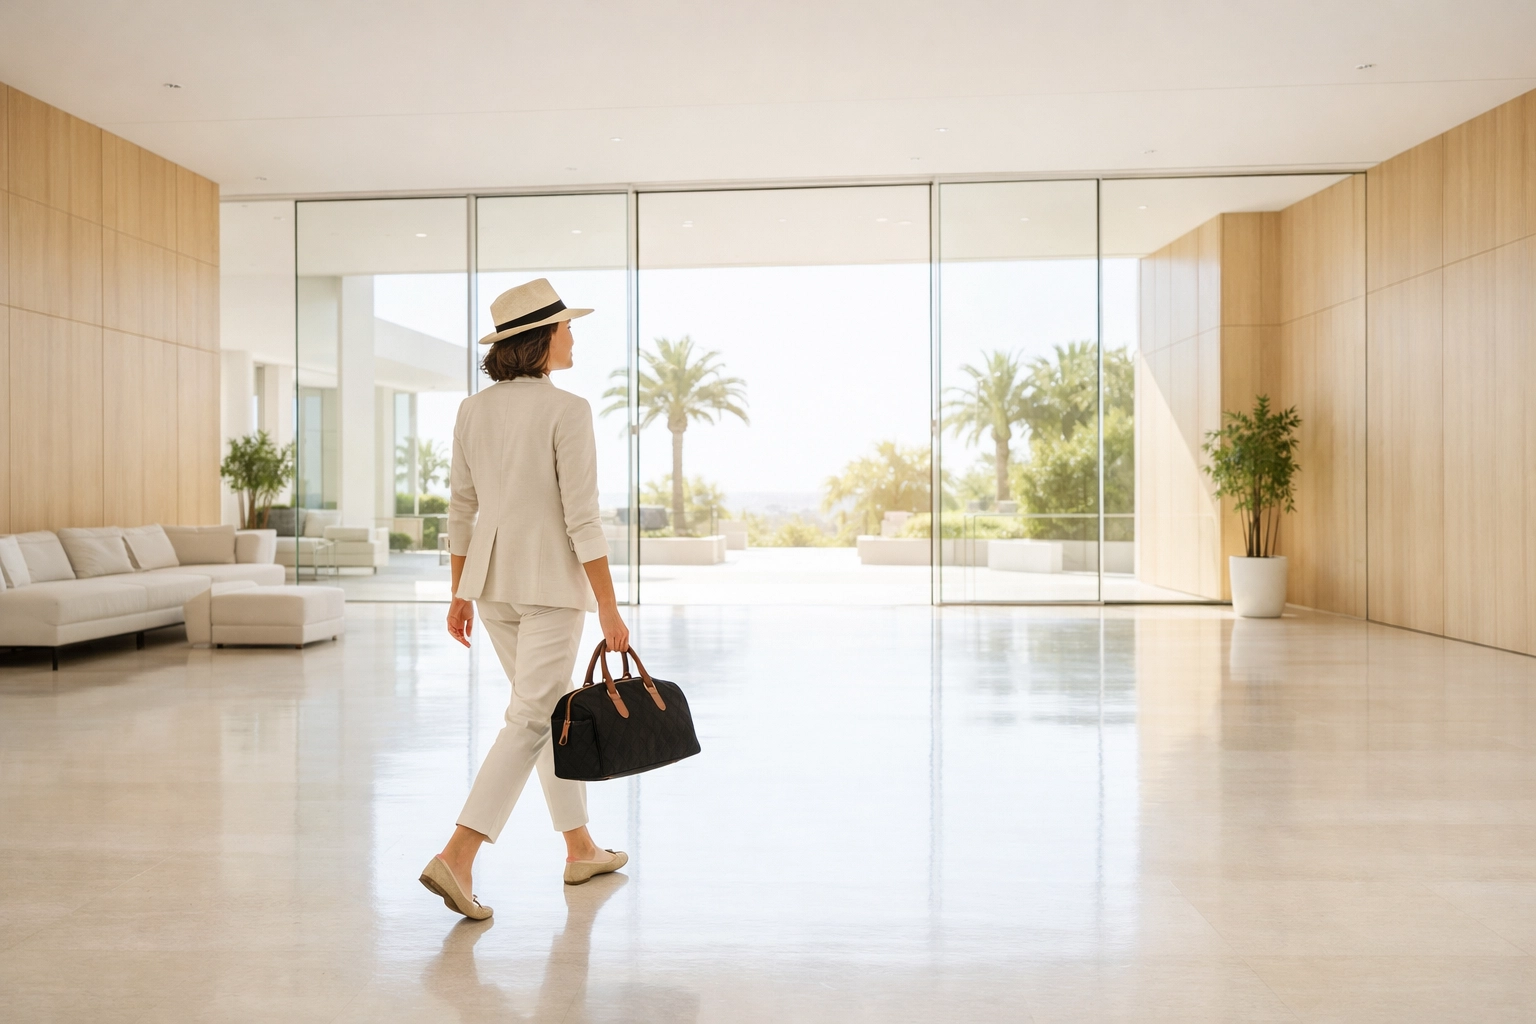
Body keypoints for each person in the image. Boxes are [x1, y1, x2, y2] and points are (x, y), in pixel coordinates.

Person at [419, 279, 630, 921]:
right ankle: (458, 854)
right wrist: (610, 609)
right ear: (541, 339)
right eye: (567, 326)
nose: (574, 335)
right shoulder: (568, 410)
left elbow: (460, 509)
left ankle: (579, 847)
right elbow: (582, 519)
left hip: (491, 586)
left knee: (548, 713)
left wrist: (459, 589)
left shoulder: (471, 410)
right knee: (533, 720)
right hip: (547, 589)